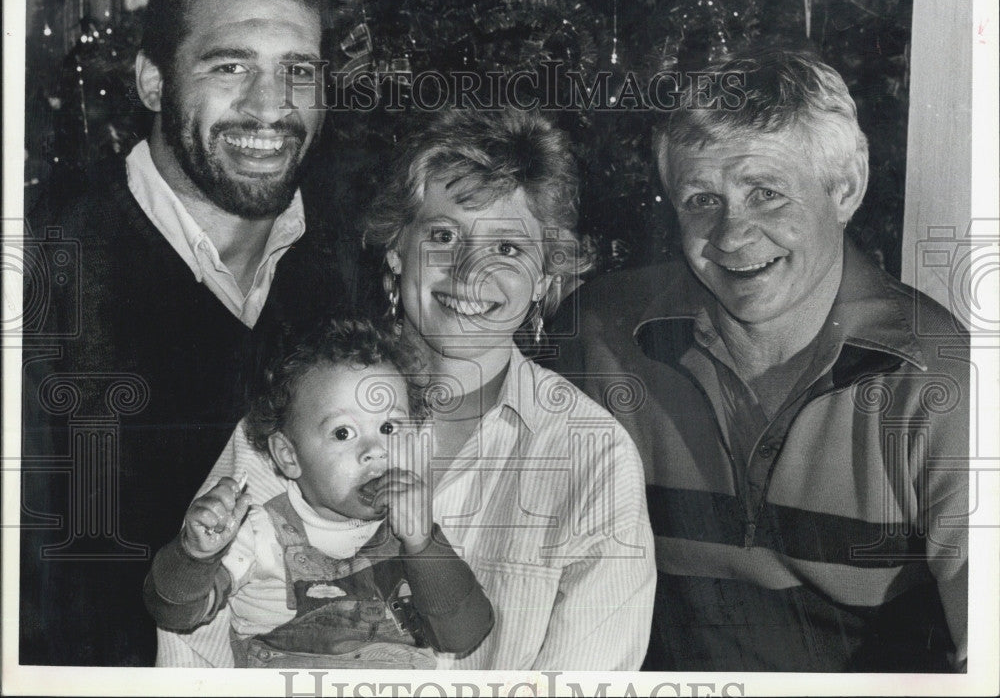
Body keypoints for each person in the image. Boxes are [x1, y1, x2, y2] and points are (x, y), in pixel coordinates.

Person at [156, 108, 657, 669]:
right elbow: (190, 652)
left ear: (545, 276)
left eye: (510, 249)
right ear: (397, 248)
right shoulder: (298, 408)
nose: (469, 272)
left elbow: (589, 678)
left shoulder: (593, 454)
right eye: (443, 235)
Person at [546, 47, 969, 672]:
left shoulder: (937, 378)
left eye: (766, 193)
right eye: (700, 201)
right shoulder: (601, 338)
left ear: (844, 188)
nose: (732, 236)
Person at [20, 0, 375, 666]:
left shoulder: (345, 266)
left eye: (297, 71)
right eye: (230, 65)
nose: (271, 108)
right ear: (153, 81)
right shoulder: (45, 275)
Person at [144, 319, 494, 668]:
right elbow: (175, 615)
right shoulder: (259, 532)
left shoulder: (413, 533)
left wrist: (422, 543)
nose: (375, 450)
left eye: (388, 427)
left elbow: (462, 636)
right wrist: (194, 557)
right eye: (343, 433)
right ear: (288, 456)